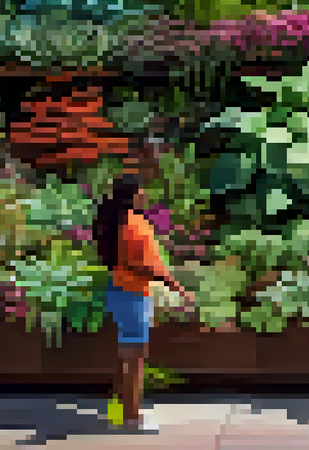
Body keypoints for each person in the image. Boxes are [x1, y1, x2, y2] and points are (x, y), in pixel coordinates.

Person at [92, 173, 193, 434]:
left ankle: (120, 412)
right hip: (133, 293)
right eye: (141, 191)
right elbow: (139, 263)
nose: (144, 195)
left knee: (125, 356)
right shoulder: (135, 223)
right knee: (135, 359)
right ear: (132, 195)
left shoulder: (116, 221)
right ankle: (132, 419)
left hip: (118, 290)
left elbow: (124, 261)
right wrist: (174, 284)